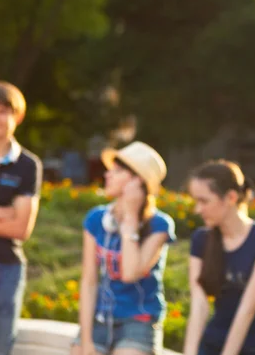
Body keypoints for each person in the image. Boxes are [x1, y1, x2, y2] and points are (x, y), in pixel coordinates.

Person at [72, 141, 176, 355]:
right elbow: (89, 281)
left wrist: (130, 218)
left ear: (138, 182)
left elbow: (130, 274)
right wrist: (86, 340)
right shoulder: (96, 219)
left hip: (139, 320)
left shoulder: (160, 225)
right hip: (101, 317)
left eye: (118, 171)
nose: (108, 175)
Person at [184, 160, 255, 355]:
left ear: (231, 197)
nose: (197, 209)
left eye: (204, 201)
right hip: (214, 340)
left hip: (254, 345)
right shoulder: (201, 239)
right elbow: (199, 305)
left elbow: (247, 310)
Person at [0, 81, 42, 355]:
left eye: (2, 111)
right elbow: (12, 219)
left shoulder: (27, 165)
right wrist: (3, 212)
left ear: (17, 116)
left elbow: (22, 228)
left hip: (5, 266)